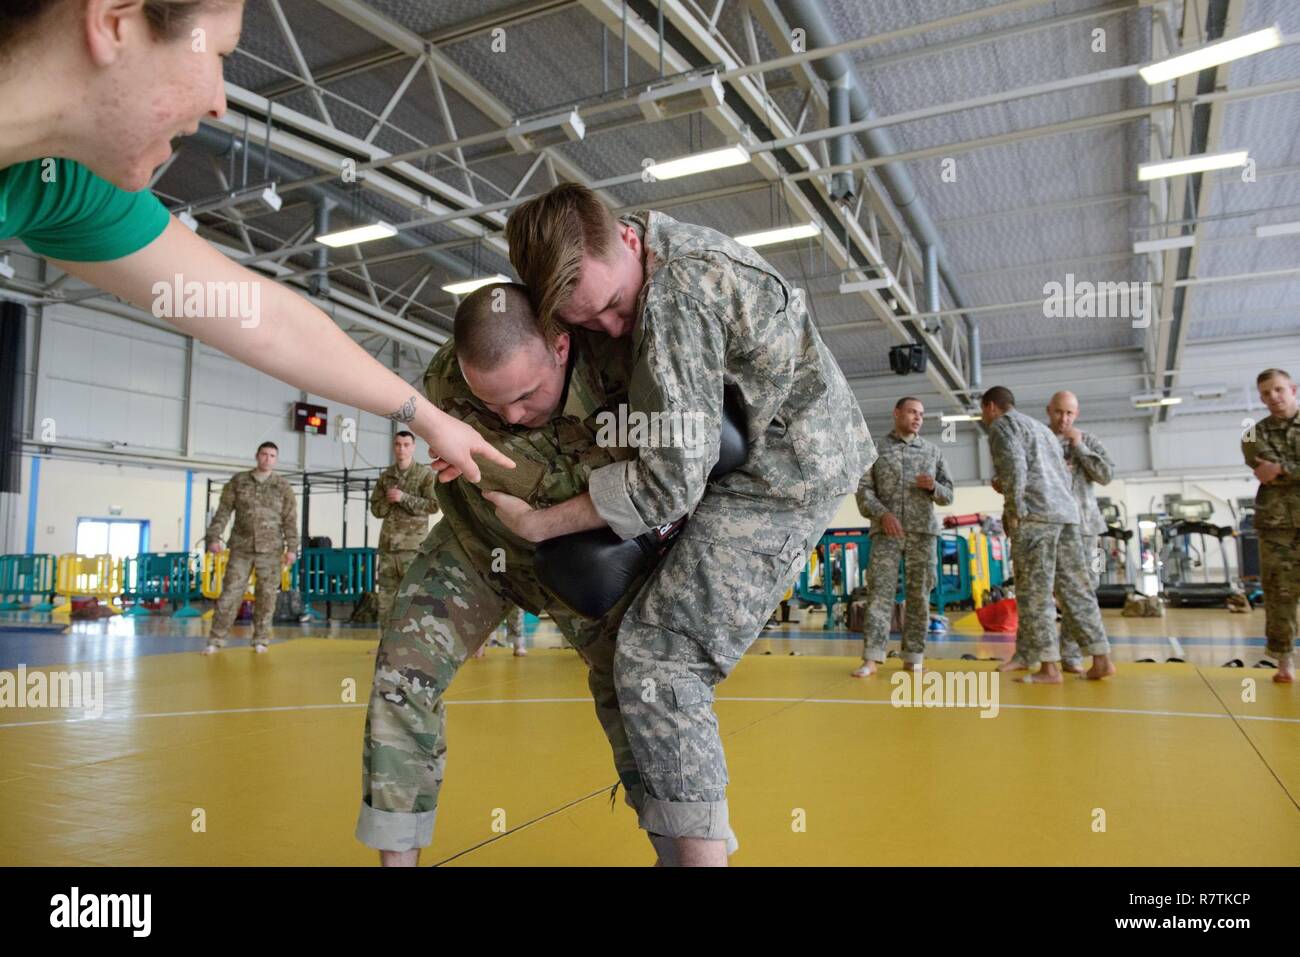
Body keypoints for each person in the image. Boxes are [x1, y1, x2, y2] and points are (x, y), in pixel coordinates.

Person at [496, 183, 873, 866]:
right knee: (620, 655)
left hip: (787, 471)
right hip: (737, 459)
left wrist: (543, 522)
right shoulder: (634, 275)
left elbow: (669, 481)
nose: (610, 328)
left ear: (631, 241)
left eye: (612, 306)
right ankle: (678, 844)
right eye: (588, 321)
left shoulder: (677, 295)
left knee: (661, 655)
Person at [0, 0, 511, 486]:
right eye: (220, 55)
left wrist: (429, 420)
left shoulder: (57, 185)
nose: (220, 104)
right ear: (115, 22)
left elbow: (266, 322)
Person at [360, 284, 720, 866]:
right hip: (475, 548)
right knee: (401, 678)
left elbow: (670, 482)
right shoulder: (444, 382)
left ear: (558, 345)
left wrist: (537, 508)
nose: (511, 415)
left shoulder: (624, 369)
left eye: (526, 396)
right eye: (492, 403)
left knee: (639, 700)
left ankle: (684, 854)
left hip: (586, 561)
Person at [981, 386, 1114, 683]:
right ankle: (1101, 657)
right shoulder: (1038, 430)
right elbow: (1062, 475)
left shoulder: (1003, 426)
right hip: (1068, 516)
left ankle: (1049, 668)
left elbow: (1015, 469)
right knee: (1076, 589)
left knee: (1035, 594)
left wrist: (1013, 511)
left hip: (1036, 518)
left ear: (990, 407)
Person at [851, 397, 951, 676]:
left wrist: (934, 488)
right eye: (912, 412)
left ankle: (914, 656)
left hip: (923, 533)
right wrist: (882, 514)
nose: (918, 418)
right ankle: (872, 657)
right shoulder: (876, 449)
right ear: (897, 413)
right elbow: (864, 490)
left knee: (919, 595)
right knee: (880, 594)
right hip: (886, 532)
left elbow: (949, 494)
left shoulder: (933, 452)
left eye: (921, 414)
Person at [202, 441, 297, 654]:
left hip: (271, 550)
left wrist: (292, 548)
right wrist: (214, 537)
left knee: (267, 595)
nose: (267, 459)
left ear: (276, 459)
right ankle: (215, 640)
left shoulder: (282, 486)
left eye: (272, 456)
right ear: (257, 456)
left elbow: (290, 519)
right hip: (241, 548)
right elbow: (224, 511)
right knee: (230, 594)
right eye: (264, 454)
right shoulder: (239, 481)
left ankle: (261, 639)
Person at [1045, 391, 1115, 673]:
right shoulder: (1040, 440)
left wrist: (1081, 448)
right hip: (1050, 527)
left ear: (1077, 414)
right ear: (1048, 410)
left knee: (1086, 589)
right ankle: (1047, 654)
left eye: (1069, 413)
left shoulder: (1089, 440)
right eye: (1059, 412)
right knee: (1052, 592)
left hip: (1086, 528)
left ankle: (1071, 654)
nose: (1064, 419)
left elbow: (1107, 475)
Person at [1243, 368, 1298, 683]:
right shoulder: (1253, 433)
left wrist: (1283, 469)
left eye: (1278, 390)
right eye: (1265, 393)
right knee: (1280, 594)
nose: (1272, 398)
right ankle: (1284, 662)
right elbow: (1264, 469)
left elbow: (1277, 471)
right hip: (1277, 528)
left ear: (1292, 388)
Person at [369, 431, 437, 633]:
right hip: (388, 546)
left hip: (413, 547)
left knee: (413, 595)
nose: (402, 449)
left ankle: (412, 642)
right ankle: (384, 642)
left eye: (406, 444)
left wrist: (404, 498)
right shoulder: (386, 476)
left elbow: (434, 506)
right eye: (398, 444)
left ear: (414, 447)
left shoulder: (424, 475)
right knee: (386, 596)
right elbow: (375, 509)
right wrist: (388, 501)